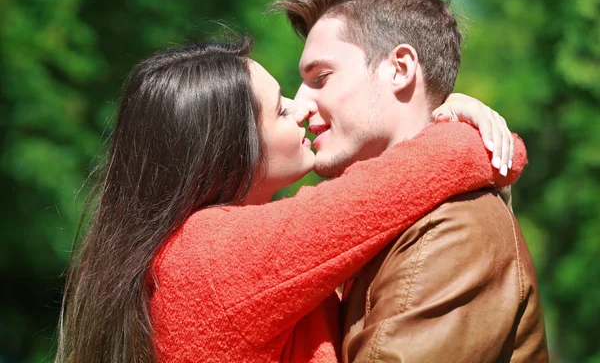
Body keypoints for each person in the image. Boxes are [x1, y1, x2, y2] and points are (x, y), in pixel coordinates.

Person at [54, 38, 525, 363]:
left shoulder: (194, 253)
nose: (301, 108)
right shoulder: (211, 255)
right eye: (280, 108)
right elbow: (408, 180)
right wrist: (467, 128)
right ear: (229, 148)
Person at [275, 0, 548, 362]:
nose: (300, 104)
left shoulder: (454, 230)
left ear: (400, 68)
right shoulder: (378, 228)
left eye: (321, 77)